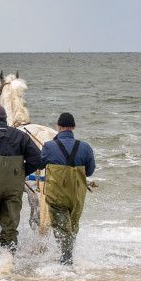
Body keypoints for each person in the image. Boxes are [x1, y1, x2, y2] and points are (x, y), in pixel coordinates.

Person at [0, 105, 45, 251]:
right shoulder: (21, 136)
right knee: (10, 226)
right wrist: (21, 173)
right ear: (6, 119)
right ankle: (8, 260)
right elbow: (38, 160)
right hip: (14, 186)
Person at [40, 112, 97, 265]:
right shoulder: (85, 147)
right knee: (72, 228)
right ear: (73, 128)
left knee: (61, 229)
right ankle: (68, 259)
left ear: (58, 127)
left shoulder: (49, 146)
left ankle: (66, 262)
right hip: (77, 197)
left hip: (57, 195)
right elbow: (90, 171)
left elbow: (39, 164)